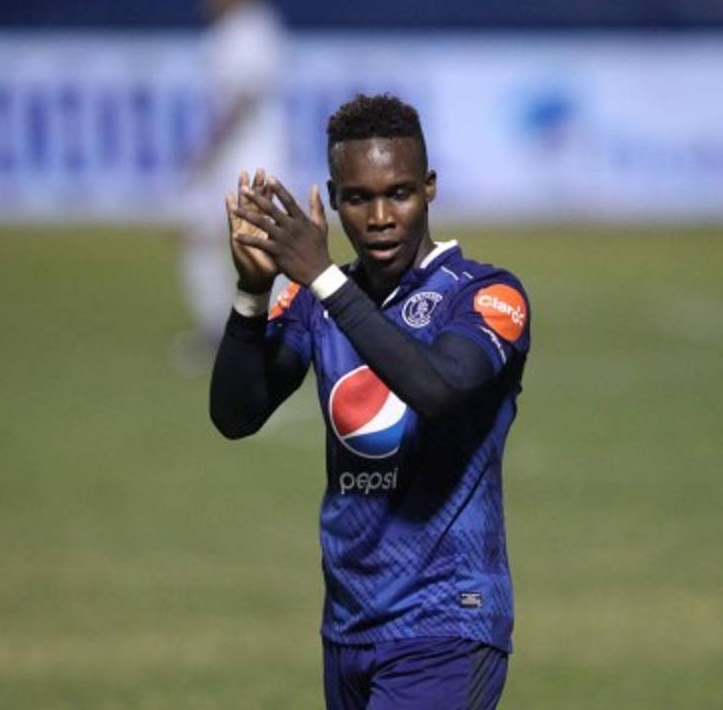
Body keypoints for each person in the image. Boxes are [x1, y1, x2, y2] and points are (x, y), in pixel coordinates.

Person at [210, 94, 530, 708]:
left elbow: (437, 389)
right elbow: (235, 415)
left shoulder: (485, 296)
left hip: (448, 620)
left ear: (429, 188)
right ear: (334, 200)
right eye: (358, 198)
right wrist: (252, 293)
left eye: (399, 193)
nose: (380, 217)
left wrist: (323, 278)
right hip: (350, 624)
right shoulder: (315, 303)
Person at [176, 0, 287, 365]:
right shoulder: (229, 30)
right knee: (201, 236)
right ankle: (219, 331)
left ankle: (278, 334)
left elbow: (244, 97)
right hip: (233, 156)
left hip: (251, 156)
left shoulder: (253, 27)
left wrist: (208, 148)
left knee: (264, 246)